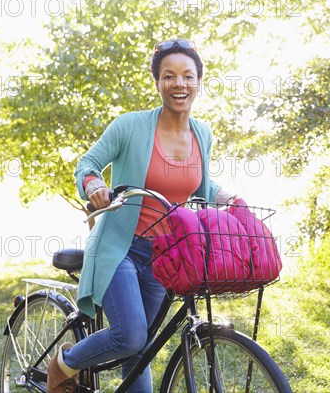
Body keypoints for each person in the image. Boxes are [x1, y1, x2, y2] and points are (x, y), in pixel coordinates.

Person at [47, 38, 236, 393]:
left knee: (141, 350)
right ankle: (65, 363)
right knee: (131, 336)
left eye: (187, 76)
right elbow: (87, 165)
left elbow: (201, 186)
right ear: (157, 83)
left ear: (198, 82)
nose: (179, 83)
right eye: (169, 76)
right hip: (122, 248)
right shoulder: (129, 126)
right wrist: (94, 188)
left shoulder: (203, 133)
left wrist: (230, 198)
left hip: (166, 255)